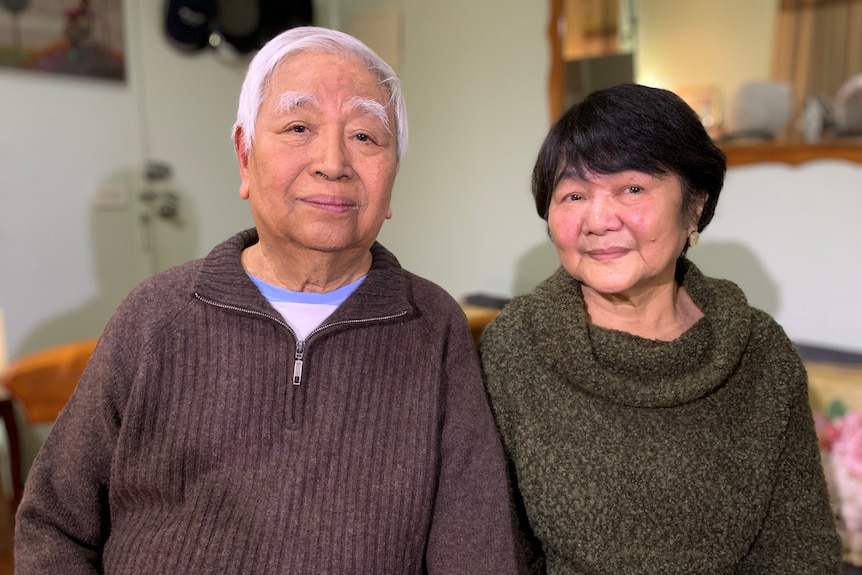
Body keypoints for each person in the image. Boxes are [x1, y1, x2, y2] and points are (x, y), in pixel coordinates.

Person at [15, 26, 526, 575]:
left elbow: (478, 552)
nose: (332, 162)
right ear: (244, 156)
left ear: (392, 175)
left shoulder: (434, 326)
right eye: (299, 126)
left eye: (365, 137)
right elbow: (53, 524)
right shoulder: (156, 316)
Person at [478, 83, 842, 574]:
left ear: (694, 205)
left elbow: (800, 550)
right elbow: (492, 547)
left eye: (632, 188)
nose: (598, 219)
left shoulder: (760, 354)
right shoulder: (515, 348)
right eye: (574, 194)